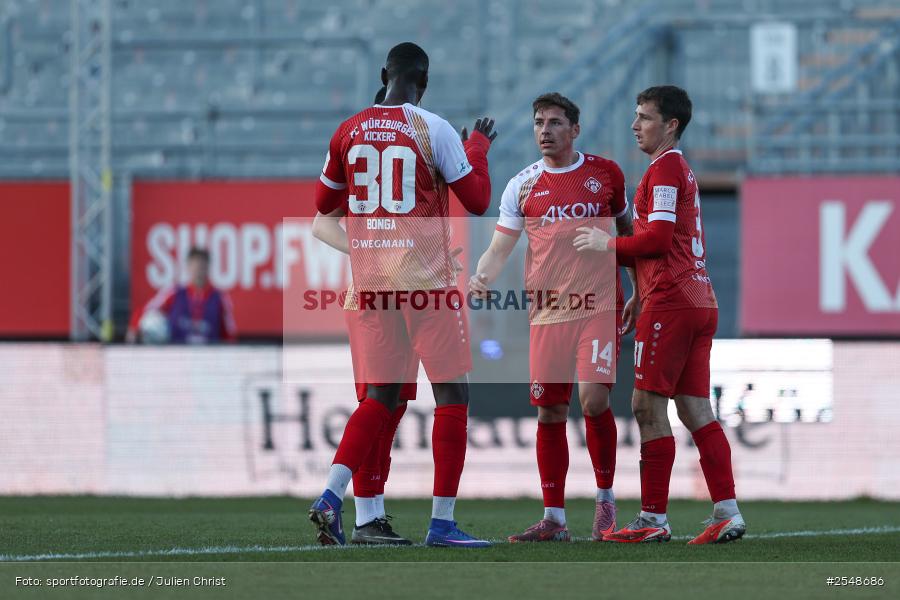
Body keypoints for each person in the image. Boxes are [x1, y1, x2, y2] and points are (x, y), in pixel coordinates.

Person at [309, 42, 497, 548]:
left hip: (371, 286)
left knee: (380, 398)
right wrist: (476, 146)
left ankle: (332, 495)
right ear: (424, 82)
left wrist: (371, 240)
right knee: (452, 394)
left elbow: (323, 206)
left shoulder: (348, 130)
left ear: (383, 74)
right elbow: (478, 201)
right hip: (424, 285)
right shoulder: (432, 128)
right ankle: (442, 524)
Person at [571, 85, 746, 544]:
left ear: (671, 125)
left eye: (645, 117)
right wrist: (640, 292)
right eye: (635, 115)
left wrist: (605, 244)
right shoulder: (671, 168)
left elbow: (658, 240)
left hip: (674, 302)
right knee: (693, 408)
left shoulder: (666, 168)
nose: (635, 125)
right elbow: (667, 245)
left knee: (646, 404)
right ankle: (727, 511)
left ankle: (652, 520)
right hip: (695, 300)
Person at [469, 93, 637, 542]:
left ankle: (605, 500)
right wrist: (481, 276)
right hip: (547, 313)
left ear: (574, 129)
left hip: (597, 306)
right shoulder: (521, 185)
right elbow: (501, 245)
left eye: (556, 123)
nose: (545, 130)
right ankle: (554, 518)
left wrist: (638, 287)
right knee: (549, 412)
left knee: (594, 402)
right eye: (539, 122)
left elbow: (628, 232)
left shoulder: (605, 175)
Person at [126, 247, 236, 344]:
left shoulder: (220, 298)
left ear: (208, 267)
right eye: (195, 266)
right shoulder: (174, 292)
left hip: (209, 358)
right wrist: (134, 327)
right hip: (177, 356)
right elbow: (146, 310)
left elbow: (229, 332)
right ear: (188, 267)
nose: (198, 271)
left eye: (202, 266)